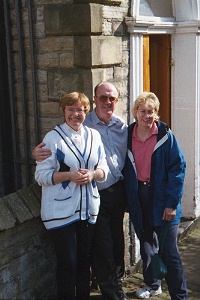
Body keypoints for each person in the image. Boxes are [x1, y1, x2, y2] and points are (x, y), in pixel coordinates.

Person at [32, 82, 129, 300]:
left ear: (87, 111)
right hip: (60, 211)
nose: (76, 114)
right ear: (63, 111)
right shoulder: (52, 138)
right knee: (69, 261)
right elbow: (41, 176)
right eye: (71, 110)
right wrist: (69, 176)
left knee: (85, 260)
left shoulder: (94, 136)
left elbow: (103, 167)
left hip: (88, 209)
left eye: (80, 110)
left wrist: (93, 175)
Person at [123, 92, 188, 299]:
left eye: (151, 112)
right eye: (142, 111)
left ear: (156, 113)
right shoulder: (126, 136)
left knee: (169, 252)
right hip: (139, 195)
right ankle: (153, 284)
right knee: (147, 244)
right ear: (135, 113)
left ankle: (180, 295)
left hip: (163, 197)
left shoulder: (166, 137)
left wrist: (171, 204)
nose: (146, 116)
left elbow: (178, 170)